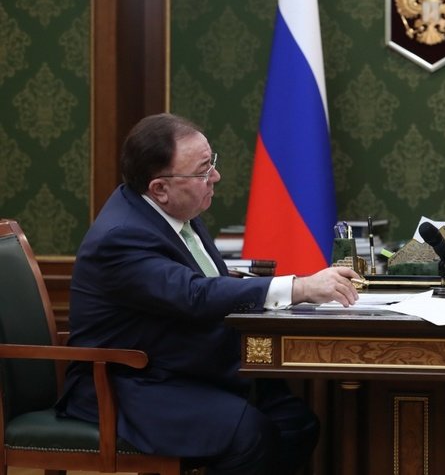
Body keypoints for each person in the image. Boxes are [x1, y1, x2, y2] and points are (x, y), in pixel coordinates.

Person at [56, 113, 360, 475]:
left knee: (295, 422)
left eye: (211, 162)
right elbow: (193, 294)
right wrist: (300, 287)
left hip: (179, 364)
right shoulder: (121, 237)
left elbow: (206, 280)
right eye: (203, 171)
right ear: (160, 189)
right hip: (126, 383)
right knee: (250, 434)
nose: (215, 177)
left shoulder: (176, 211)